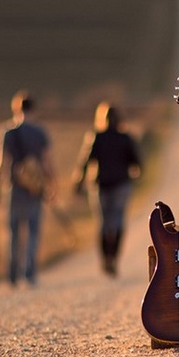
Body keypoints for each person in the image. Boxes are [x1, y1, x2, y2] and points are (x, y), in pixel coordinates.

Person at [0, 91, 55, 287]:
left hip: (13, 188)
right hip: (34, 189)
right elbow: (47, 162)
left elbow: (0, 162)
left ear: (15, 109)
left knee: (13, 233)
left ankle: (12, 276)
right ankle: (29, 273)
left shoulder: (7, 132)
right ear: (33, 109)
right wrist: (51, 186)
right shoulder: (40, 132)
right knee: (33, 231)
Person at [74, 102, 142, 277]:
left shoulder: (97, 137)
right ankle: (114, 259)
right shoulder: (125, 138)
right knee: (118, 221)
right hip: (121, 184)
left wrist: (79, 181)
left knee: (103, 223)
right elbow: (137, 163)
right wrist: (136, 175)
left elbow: (86, 161)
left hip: (101, 185)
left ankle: (105, 259)